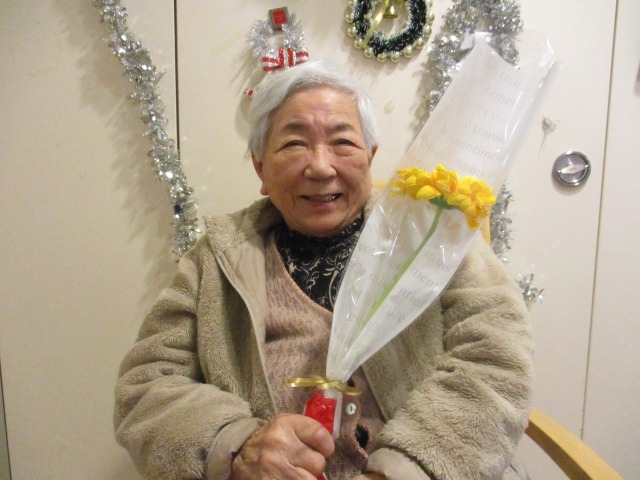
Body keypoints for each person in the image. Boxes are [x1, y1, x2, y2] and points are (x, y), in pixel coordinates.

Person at [114, 60, 533, 480]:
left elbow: (496, 360)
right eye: (294, 144)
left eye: (343, 142)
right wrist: (240, 446)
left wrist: (406, 468)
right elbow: (147, 385)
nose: (320, 166)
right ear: (261, 168)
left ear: (369, 157)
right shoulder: (216, 257)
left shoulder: (430, 236)